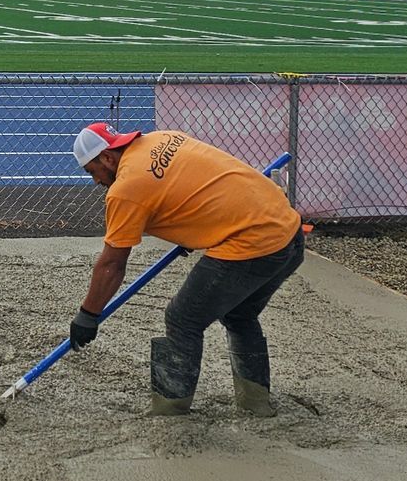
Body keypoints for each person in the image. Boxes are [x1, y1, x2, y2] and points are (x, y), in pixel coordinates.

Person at [65, 122, 303, 417]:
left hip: (255, 245)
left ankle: (171, 410)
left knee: (182, 319)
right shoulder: (162, 138)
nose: (95, 181)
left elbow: (112, 264)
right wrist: (192, 229)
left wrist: (88, 315)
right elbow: (193, 187)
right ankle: (256, 404)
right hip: (289, 233)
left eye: (92, 172)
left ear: (108, 158)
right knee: (239, 313)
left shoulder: (126, 189)